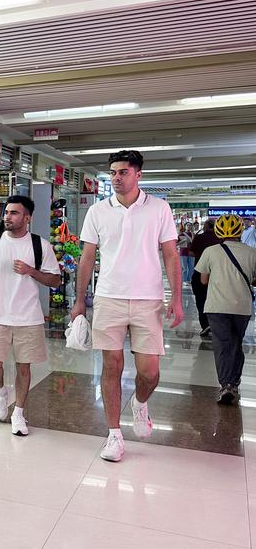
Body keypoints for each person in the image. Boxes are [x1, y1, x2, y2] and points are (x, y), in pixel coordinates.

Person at [70, 150, 183, 462]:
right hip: (108, 297)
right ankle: (114, 435)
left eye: (122, 172)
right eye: (113, 173)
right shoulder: (98, 211)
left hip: (148, 300)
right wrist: (80, 301)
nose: (116, 178)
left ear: (138, 175)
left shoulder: (159, 208)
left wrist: (175, 297)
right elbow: (87, 257)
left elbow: (171, 254)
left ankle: (140, 402)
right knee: (112, 367)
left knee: (150, 372)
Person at [0, 195, 61, 437]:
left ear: (27, 218)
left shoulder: (40, 246)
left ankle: (19, 412)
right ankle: (1, 391)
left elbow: (55, 280)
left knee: (24, 367)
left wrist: (31, 271)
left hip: (28, 318)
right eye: (7, 212)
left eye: (14, 213)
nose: (7, 217)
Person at [195, 213, 256, 405]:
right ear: (240, 231)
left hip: (217, 306)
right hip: (242, 307)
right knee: (236, 344)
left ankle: (226, 385)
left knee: (222, 345)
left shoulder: (211, 251)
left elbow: (203, 280)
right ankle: (234, 383)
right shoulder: (251, 252)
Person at [190, 219, 222, 336]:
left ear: (206, 226)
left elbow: (191, 253)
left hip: (200, 272)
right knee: (216, 300)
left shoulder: (199, 238)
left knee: (201, 300)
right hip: (217, 274)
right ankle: (216, 325)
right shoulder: (220, 239)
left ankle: (205, 325)